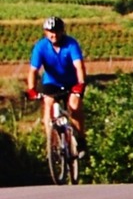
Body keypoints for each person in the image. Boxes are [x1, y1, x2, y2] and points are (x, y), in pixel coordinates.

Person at [26, 16, 88, 157]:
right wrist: (31, 89)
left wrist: (81, 84)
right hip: (51, 83)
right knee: (48, 103)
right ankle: (51, 143)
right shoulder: (40, 47)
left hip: (72, 82)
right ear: (45, 32)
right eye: (50, 31)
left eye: (57, 31)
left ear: (62, 31)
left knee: (74, 105)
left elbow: (79, 66)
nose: (53, 35)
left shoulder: (71, 44)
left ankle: (81, 139)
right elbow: (33, 71)